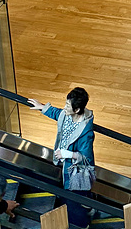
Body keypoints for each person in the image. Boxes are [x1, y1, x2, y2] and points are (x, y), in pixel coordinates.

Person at [27, 87, 94, 227]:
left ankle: (82, 222)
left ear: (77, 110)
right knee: (75, 194)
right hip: (64, 165)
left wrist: (67, 154)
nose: (65, 107)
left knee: (73, 197)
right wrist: (42, 107)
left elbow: (86, 159)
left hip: (74, 170)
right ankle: (87, 206)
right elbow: (58, 114)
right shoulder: (67, 114)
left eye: (68, 105)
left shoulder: (85, 133)